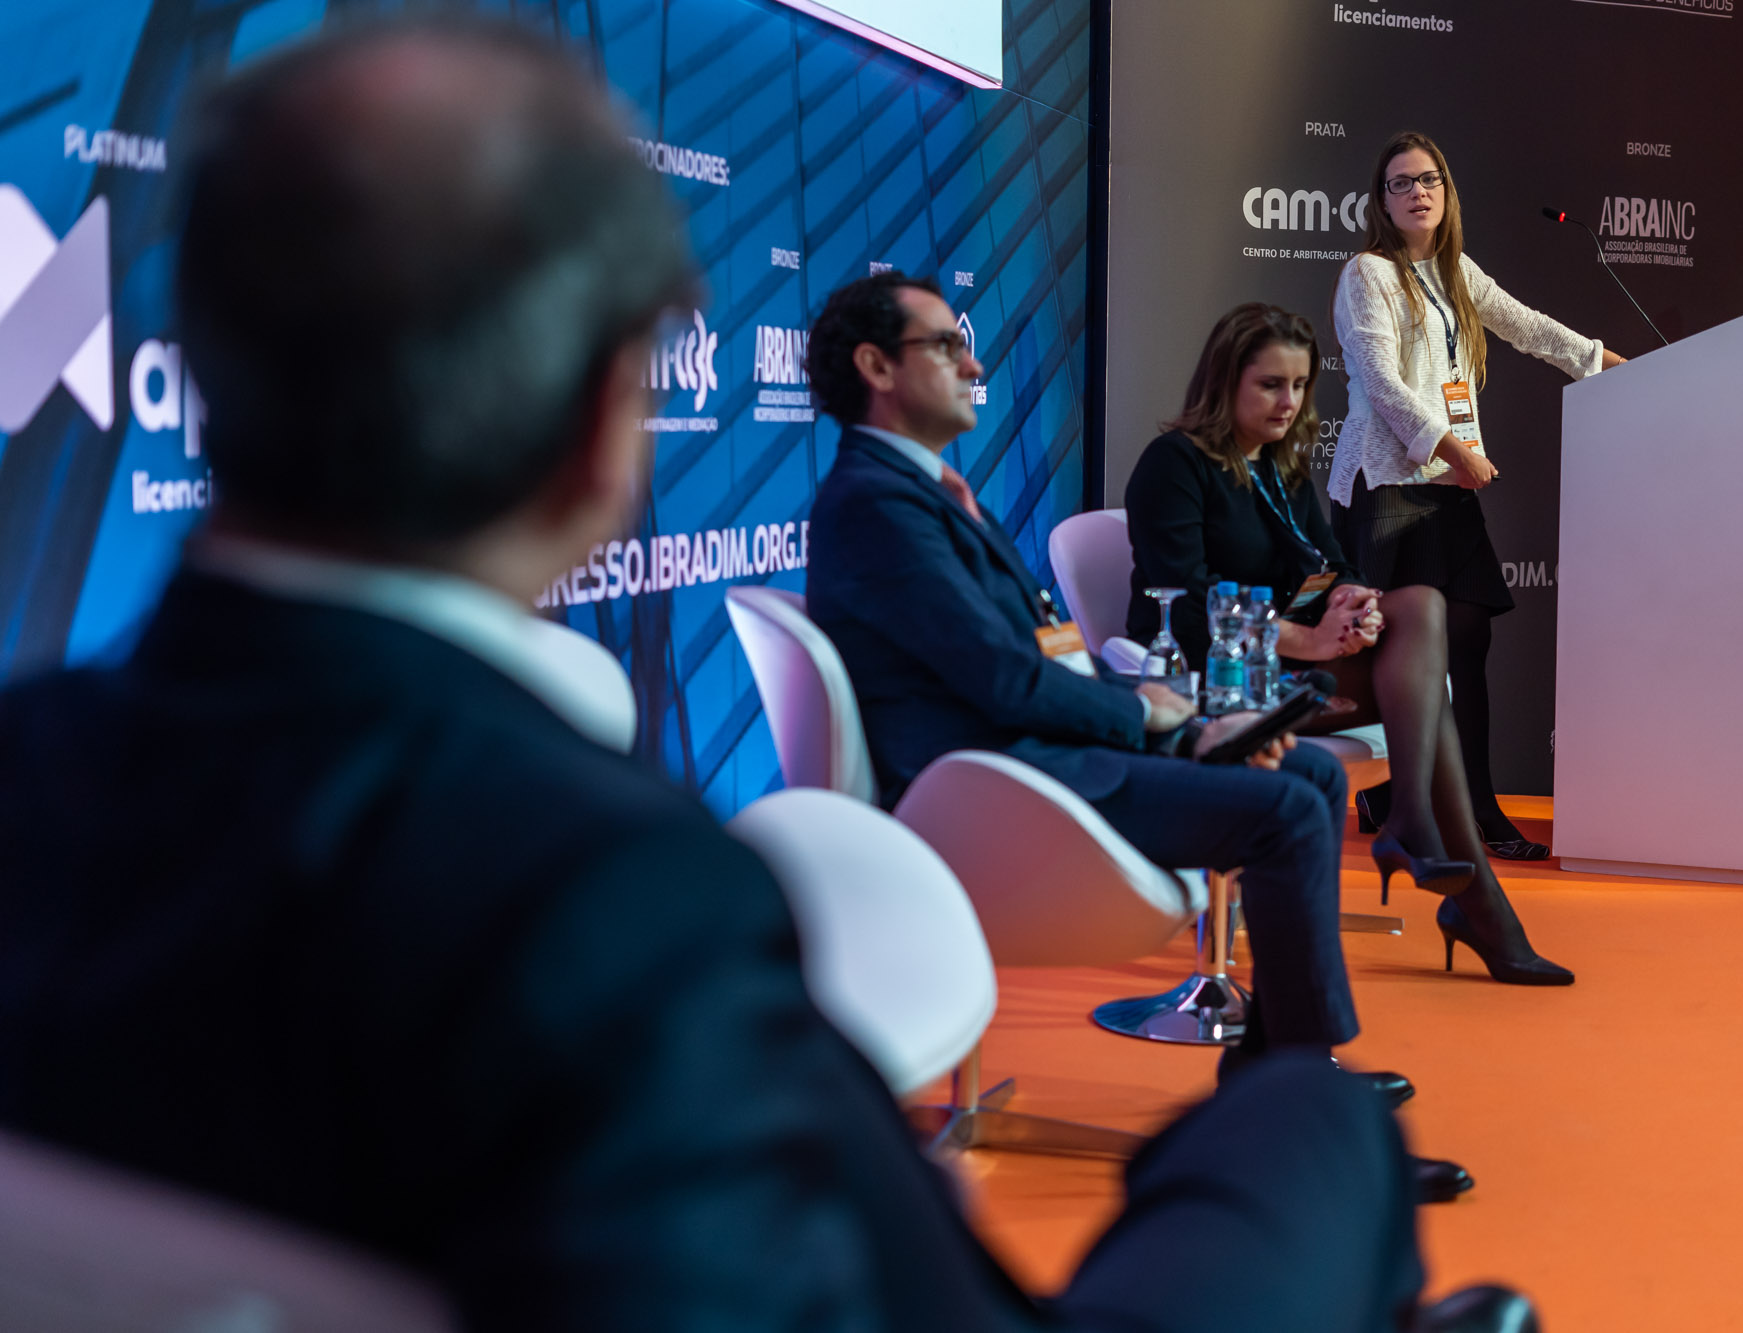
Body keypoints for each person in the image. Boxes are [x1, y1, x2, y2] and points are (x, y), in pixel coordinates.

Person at [0, 21, 1532, 1333]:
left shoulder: (36, 786)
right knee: (1304, 1135)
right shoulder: (611, 911)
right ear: (607, 426)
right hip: (992, 781)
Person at [804, 270, 1484, 1204]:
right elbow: (1001, 681)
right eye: (946, 346)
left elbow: (1029, 656)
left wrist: (1187, 722)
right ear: (876, 366)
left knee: (1315, 782)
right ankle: (1305, 1121)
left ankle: (1273, 1073)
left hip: (1034, 753)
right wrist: (1156, 721)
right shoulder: (877, 504)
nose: (974, 364)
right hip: (993, 784)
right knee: (1288, 808)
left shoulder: (923, 490)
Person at [1126, 303, 1571, 986]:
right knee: (1424, 686)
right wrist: (1308, 639)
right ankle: (1470, 895)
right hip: (1209, 677)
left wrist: (1351, 603)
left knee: (1418, 604)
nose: (1289, 402)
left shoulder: (1282, 465)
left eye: (1299, 385)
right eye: (1270, 384)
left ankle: (1418, 826)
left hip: (1288, 665)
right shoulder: (1175, 464)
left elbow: (1333, 565)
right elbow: (1186, 601)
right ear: (1225, 381)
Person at [1329, 130, 1626, 862]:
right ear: (1381, 201)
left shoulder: (1455, 270)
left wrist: (1601, 363)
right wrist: (1452, 448)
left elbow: (1526, 326)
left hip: (1448, 483)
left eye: (1428, 179)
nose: (1417, 192)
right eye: (1400, 183)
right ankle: (1427, 804)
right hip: (1390, 484)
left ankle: (1446, 804)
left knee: (1469, 640)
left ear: (1447, 191)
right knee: (1403, 652)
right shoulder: (1368, 273)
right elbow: (1381, 383)